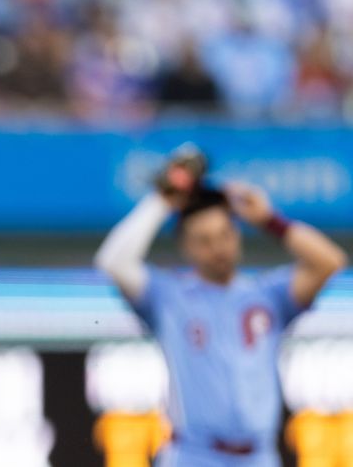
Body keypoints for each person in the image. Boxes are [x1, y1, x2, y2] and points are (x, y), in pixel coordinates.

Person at [94, 147, 346, 467]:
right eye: (204, 240)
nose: (218, 248)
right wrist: (163, 200)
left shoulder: (267, 294)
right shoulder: (169, 297)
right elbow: (113, 262)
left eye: (225, 235)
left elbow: (329, 262)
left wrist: (270, 220)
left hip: (258, 455)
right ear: (185, 246)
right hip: (194, 454)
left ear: (237, 234)